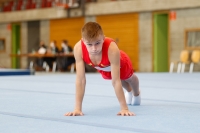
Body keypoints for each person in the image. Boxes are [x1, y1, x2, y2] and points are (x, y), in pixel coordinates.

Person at [65, 22, 141, 116]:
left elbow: (115, 81)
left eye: (97, 43)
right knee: (121, 80)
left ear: (103, 38)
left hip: (121, 63)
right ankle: (129, 91)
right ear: (83, 41)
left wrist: (124, 108)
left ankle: (136, 93)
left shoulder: (112, 49)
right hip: (103, 67)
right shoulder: (78, 48)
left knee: (129, 78)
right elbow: (80, 80)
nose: (94, 48)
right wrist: (77, 109)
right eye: (89, 44)